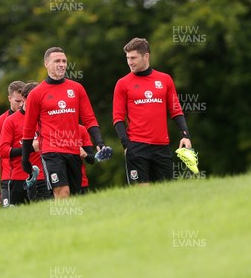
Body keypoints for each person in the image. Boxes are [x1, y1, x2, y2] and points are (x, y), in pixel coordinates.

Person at [22, 47, 108, 199]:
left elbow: (89, 119)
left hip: (73, 150)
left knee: (74, 195)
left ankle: (70, 222)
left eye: (64, 61)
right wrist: (25, 159)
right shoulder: (36, 94)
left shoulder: (77, 88)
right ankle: (63, 219)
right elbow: (28, 129)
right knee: (62, 192)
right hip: (51, 151)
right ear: (46, 64)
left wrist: (99, 141)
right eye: (57, 61)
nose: (61, 64)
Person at [113, 37, 192, 185]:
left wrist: (185, 135)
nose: (130, 62)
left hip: (162, 146)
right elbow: (117, 118)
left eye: (133, 58)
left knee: (166, 194)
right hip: (136, 146)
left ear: (146, 56)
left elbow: (176, 111)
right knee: (141, 195)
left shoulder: (165, 79)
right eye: (128, 58)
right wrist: (126, 146)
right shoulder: (122, 83)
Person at [0, 82, 50, 205]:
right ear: (25, 98)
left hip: (43, 177)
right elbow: (3, 151)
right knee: (18, 220)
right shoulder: (10, 121)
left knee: (45, 217)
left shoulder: (46, 118)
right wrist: (29, 148)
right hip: (19, 178)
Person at [0, 81, 25, 206]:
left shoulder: (33, 118)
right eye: (17, 101)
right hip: (9, 179)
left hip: (34, 176)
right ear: (9, 98)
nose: (21, 105)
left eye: (23, 101)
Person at [77, 124, 96, 195]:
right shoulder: (53, 129)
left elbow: (91, 159)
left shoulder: (81, 129)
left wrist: (85, 154)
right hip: (60, 182)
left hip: (81, 182)